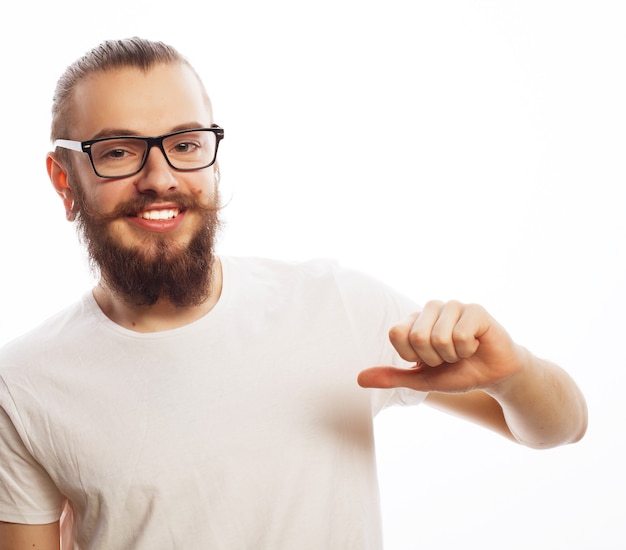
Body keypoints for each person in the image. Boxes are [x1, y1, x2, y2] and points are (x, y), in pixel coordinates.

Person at [0, 37, 587, 550]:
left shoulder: (338, 306)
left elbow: (563, 427)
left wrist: (513, 375)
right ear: (63, 180)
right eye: (119, 151)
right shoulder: (23, 382)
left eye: (184, 143)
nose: (160, 177)